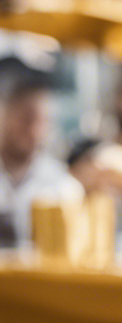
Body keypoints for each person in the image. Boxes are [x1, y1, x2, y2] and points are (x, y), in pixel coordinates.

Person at [0, 69, 83, 249]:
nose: (34, 130)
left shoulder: (62, 186)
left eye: (43, 121)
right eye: (27, 118)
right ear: (6, 114)